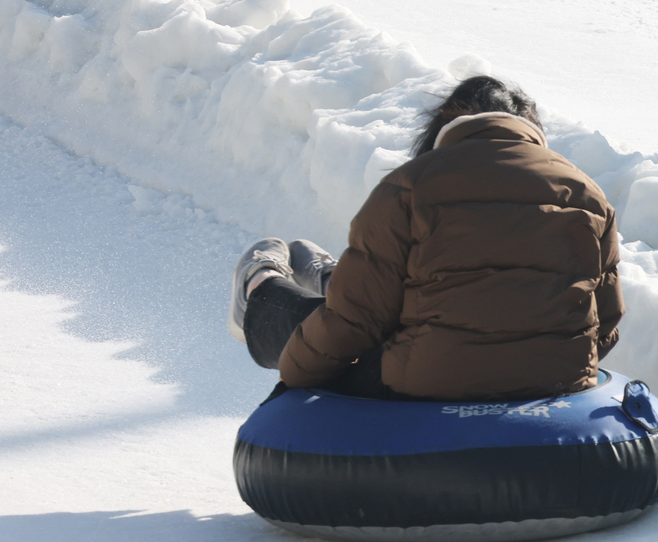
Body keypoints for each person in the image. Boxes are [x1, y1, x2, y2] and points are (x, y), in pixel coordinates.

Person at [225, 75, 625, 400]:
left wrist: (295, 386)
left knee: (329, 323)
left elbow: (353, 325)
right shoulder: (588, 194)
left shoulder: (410, 187)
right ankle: (338, 281)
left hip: (427, 385)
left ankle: (260, 287)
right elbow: (604, 323)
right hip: (554, 383)